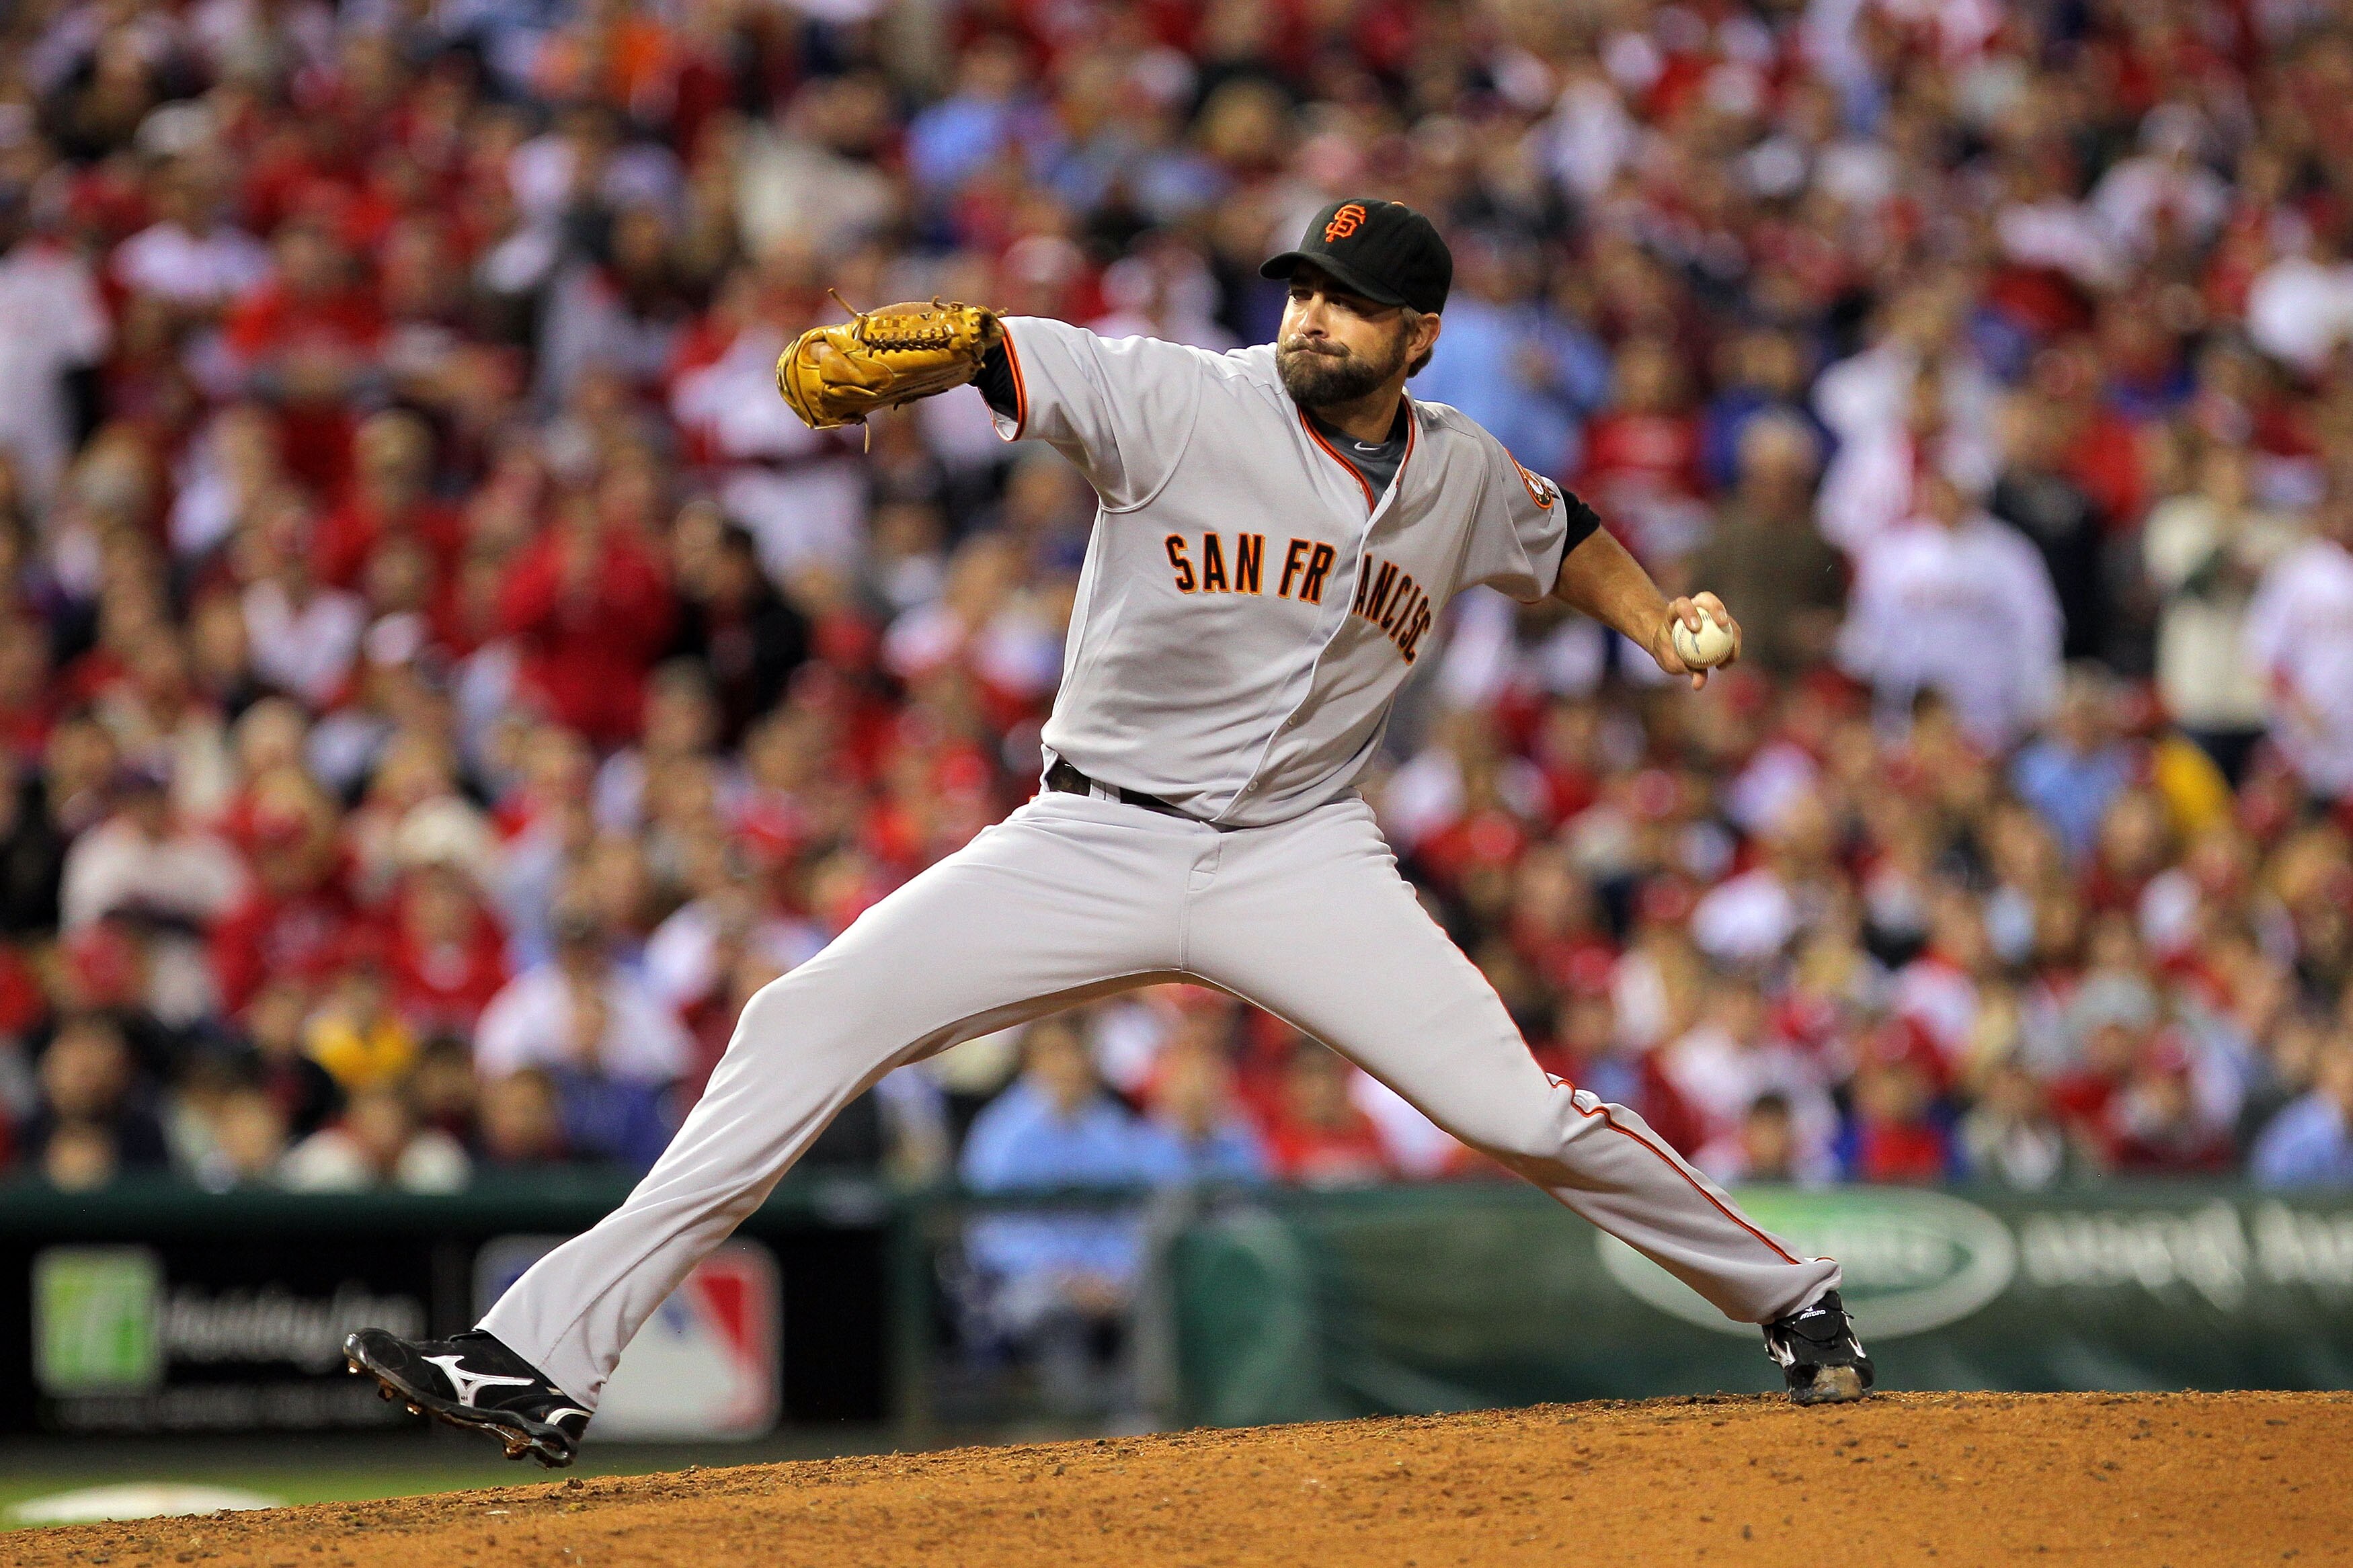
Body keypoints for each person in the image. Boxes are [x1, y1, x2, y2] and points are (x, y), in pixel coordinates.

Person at [346, 199, 1870, 1468]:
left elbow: (1566, 534)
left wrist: (1660, 619)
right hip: (1091, 839)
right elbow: (1000, 345)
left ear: (1418, 337)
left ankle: (1791, 1298)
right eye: (1301, 290)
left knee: (1515, 1115)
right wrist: (927, 352)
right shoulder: (1177, 394)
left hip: (1299, 854)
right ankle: (535, 1362)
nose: (1311, 319)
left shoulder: (1462, 469)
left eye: (1348, 303)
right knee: (801, 1018)